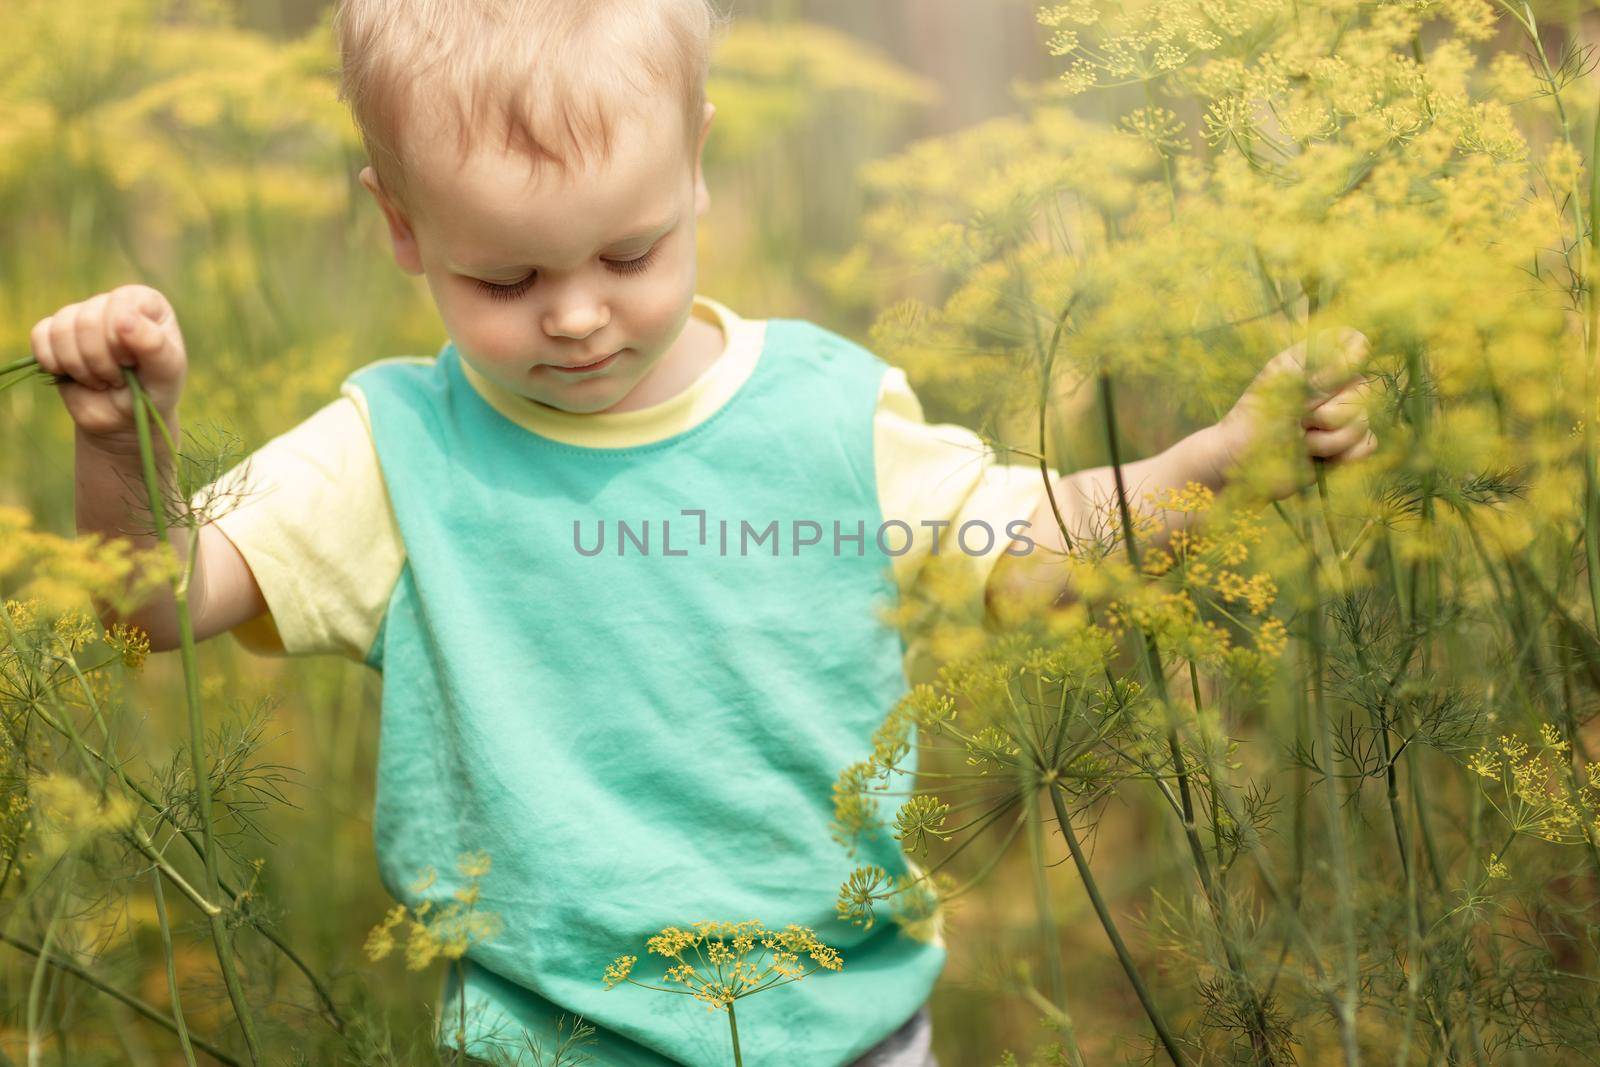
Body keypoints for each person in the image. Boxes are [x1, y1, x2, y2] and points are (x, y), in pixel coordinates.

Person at [25, 1, 1377, 1062]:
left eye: (629, 253)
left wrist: (1217, 469)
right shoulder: (393, 452)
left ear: (699, 170)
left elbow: (1037, 551)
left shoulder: (830, 418)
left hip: (845, 1029)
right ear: (400, 226)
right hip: (547, 1041)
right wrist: (120, 443)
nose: (575, 316)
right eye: (505, 276)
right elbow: (150, 608)